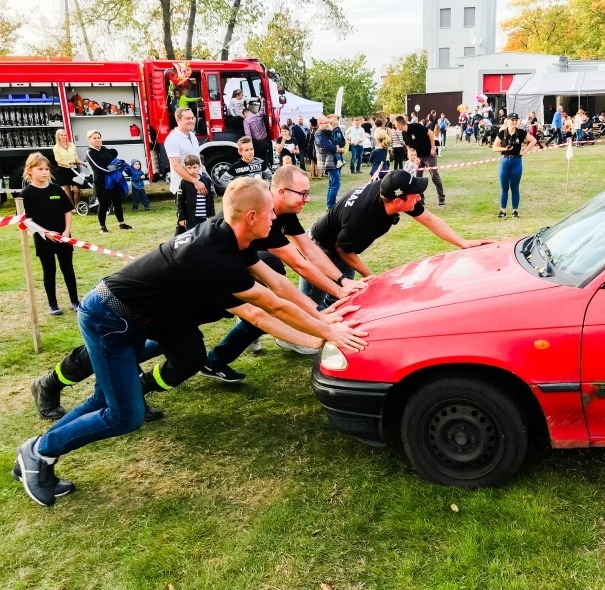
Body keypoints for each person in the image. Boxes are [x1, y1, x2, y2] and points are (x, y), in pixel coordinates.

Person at [13, 177, 369, 507]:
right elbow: (264, 310)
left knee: (109, 400)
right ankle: (40, 451)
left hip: (134, 317)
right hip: (109, 317)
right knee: (125, 415)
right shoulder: (212, 254)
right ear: (251, 216)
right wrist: (324, 335)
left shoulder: (232, 236)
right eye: (271, 212)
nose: (276, 218)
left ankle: (35, 454)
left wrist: (322, 318)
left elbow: (278, 286)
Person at [204, 165, 372, 376]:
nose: (307, 199)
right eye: (303, 193)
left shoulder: (284, 212)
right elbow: (298, 263)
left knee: (261, 313)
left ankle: (214, 361)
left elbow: (309, 249)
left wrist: (341, 281)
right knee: (188, 326)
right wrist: (332, 300)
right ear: (281, 192)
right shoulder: (265, 213)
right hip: (221, 270)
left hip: (246, 266)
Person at [299, 170, 493, 307]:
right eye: (415, 194)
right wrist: (372, 277)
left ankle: (327, 325)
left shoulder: (391, 191)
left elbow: (429, 219)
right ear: (398, 202)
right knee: (312, 301)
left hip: (343, 245)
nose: (419, 197)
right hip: (319, 248)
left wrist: (462, 242)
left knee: (343, 295)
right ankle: (296, 340)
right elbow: (342, 249)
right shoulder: (362, 219)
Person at [20, 153, 80, 316]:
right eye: (40, 169)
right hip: (43, 239)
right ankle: (53, 304)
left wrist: (66, 231)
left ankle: (75, 301)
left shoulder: (56, 190)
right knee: (49, 270)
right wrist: (45, 233)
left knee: (68, 268)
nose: (45, 172)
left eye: (47, 169)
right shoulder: (27, 194)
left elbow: (67, 210)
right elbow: (26, 220)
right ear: (30, 170)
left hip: (63, 237)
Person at [492, 113, 538, 219]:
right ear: (507, 121)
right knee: (504, 188)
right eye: (512, 120)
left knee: (515, 187)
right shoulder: (502, 133)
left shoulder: (521, 133)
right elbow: (494, 148)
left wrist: (524, 151)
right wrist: (505, 149)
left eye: (516, 120)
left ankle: (515, 211)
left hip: (516, 161)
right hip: (504, 161)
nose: (514, 122)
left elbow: (533, 140)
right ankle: (503, 211)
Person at [85, 130, 131, 233]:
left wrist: (121, 166)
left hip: (113, 181)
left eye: (98, 137)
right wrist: (112, 169)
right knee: (103, 204)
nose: (97, 140)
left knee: (117, 202)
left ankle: (122, 224)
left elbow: (116, 161)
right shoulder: (90, 152)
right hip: (101, 183)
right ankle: (103, 227)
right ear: (90, 140)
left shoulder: (106, 150)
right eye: (94, 138)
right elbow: (97, 167)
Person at [394, 115, 446, 206]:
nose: (394, 126)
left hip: (429, 156)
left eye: (395, 125)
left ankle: (441, 197)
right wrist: (412, 155)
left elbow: (430, 133)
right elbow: (408, 146)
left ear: (400, 124)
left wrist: (433, 148)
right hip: (418, 158)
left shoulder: (416, 127)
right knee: (417, 178)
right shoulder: (403, 133)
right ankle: (420, 200)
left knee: (435, 176)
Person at [164, 107, 205, 209]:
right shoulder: (172, 139)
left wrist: (200, 178)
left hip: (197, 182)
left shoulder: (192, 135)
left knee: (200, 216)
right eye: (187, 118)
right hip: (183, 185)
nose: (191, 121)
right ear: (178, 119)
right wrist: (194, 181)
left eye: (192, 118)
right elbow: (176, 166)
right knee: (187, 220)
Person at [314, 114, 345, 210]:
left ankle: (330, 205)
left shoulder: (328, 132)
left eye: (328, 122)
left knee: (333, 184)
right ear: (319, 124)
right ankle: (331, 206)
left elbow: (338, 142)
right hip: (328, 162)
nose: (328, 124)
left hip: (333, 161)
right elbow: (329, 147)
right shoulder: (318, 135)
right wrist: (340, 150)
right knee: (335, 184)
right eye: (326, 122)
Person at [176, 154, 214, 231]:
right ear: (185, 168)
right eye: (189, 168)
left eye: (194, 167)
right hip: (191, 217)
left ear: (199, 166)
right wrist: (182, 217)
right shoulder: (184, 182)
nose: (192, 170)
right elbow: (180, 201)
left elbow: (210, 198)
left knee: (204, 236)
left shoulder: (206, 180)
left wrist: (211, 213)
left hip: (204, 216)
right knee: (192, 237)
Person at [52, 129, 86, 208]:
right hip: (63, 169)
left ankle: (77, 206)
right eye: (61, 135)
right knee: (67, 190)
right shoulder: (56, 148)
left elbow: (76, 157)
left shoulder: (72, 145)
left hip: (74, 169)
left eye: (65, 135)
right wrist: (66, 163)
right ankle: (71, 206)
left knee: (76, 190)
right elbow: (58, 160)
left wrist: (80, 162)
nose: (64, 137)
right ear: (58, 137)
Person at [243, 97, 272, 166]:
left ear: (245, 113)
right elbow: (262, 110)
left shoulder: (246, 121)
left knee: (257, 156)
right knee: (265, 155)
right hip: (265, 140)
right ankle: (267, 167)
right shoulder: (258, 115)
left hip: (257, 142)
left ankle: (261, 170)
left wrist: (249, 144)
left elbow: (248, 134)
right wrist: (262, 102)